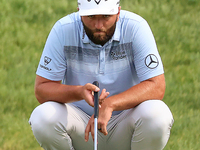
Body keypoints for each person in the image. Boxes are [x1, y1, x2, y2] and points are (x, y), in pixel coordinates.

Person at [29, 0, 174, 149]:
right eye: (91, 16)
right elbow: (42, 89)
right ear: (79, 12)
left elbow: (157, 86)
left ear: (118, 12)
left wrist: (110, 105)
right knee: (42, 117)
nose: (98, 25)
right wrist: (78, 92)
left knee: (157, 114)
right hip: (80, 126)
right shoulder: (63, 29)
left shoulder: (136, 27)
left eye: (105, 16)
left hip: (125, 124)